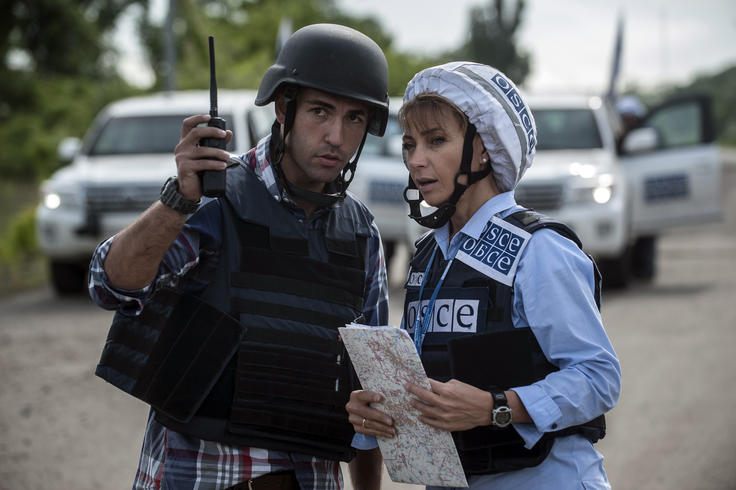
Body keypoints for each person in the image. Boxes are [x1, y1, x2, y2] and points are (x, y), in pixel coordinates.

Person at [89, 23, 390, 490]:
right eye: (320, 111)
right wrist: (177, 201)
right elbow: (110, 286)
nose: (336, 135)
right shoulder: (211, 198)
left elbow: (370, 391)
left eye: (354, 118)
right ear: (284, 108)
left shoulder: (361, 233)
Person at [346, 62, 622, 488]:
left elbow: (599, 377)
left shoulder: (540, 249)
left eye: (436, 140)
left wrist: (499, 407)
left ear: (484, 148)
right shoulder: (427, 255)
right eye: (409, 144)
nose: (416, 160)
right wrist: (383, 406)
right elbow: (429, 379)